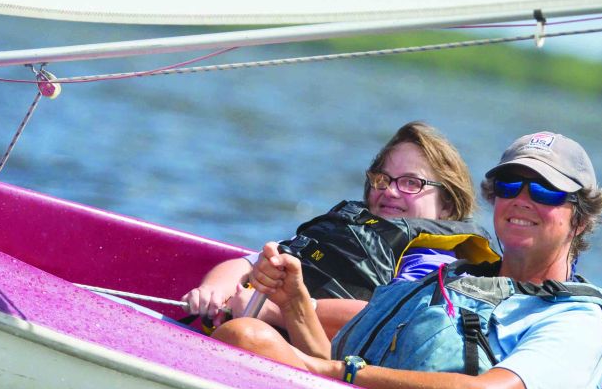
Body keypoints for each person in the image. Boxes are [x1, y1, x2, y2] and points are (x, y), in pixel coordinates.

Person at [215, 131, 602, 389]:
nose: (522, 200)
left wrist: (344, 373)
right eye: (510, 187)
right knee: (248, 335)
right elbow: (329, 358)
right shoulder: (451, 278)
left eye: (546, 190)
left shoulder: (576, 320)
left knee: (244, 337)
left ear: (580, 219)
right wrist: (296, 305)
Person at [181, 120, 488, 337]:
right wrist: (215, 290)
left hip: (308, 353)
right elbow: (246, 264)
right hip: (255, 323)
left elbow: (385, 318)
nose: (390, 191)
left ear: (446, 205)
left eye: (411, 183)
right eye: (382, 179)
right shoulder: (346, 230)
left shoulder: (434, 264)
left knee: (244, 332)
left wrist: (273, 312)